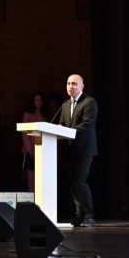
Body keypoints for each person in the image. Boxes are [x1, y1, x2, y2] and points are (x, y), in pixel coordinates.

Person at [52, 74, 98, 227]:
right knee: (73, 183)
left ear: (82, 86)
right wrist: (56, 129)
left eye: (74, 84)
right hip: (71, 150)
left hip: (85, 149)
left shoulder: (89, 102)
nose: (70, 86)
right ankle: (80, 215)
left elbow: (87, 124)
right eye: (68, 83)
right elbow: (61, 124)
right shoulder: (65, 104)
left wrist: (66, 131)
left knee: (79, 181)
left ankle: (89, 216)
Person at [21, 92, 46, 192]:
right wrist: (31, 151)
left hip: (43, 149)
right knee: (31, 178)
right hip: (30, 150)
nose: (38, 102)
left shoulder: (45, 115)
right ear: (33, 102)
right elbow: (24, 134)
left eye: (40, 100)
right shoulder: (27, 114)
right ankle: (32, 200)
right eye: (36, 100)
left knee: (42, 178)